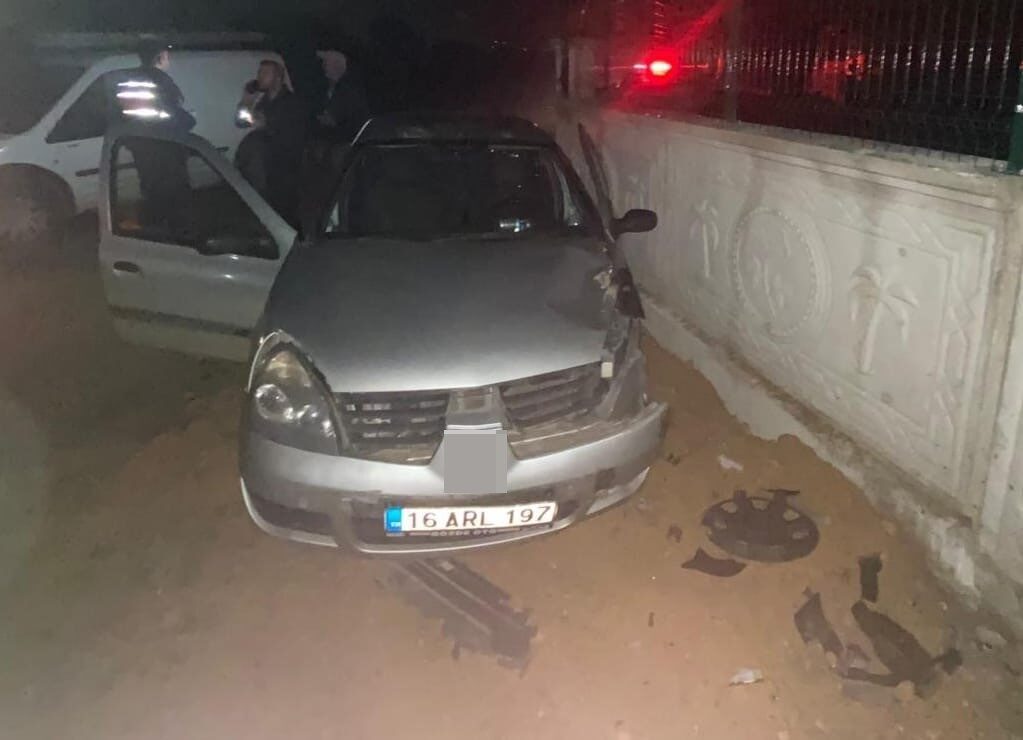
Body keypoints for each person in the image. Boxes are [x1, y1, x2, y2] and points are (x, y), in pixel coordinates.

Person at [121, 41, 194, 236]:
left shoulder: (130, 80)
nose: (168, 59)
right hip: (165, 149)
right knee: (174, 197)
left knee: (150, 191)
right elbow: (172, 113)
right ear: (160, 57)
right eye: (166, 55)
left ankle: (154, 234)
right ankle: (177, 236)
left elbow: (126, 114)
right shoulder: (160, 80)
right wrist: (189, 121)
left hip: (141, 147)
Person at [246, 59, 307, 227]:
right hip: (265, 164)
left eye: (265, 73)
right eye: (260, 73)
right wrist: (247, 100)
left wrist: (266, 124)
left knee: (286, 210)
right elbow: (242, 120)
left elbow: (290, 132)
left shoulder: (291, 102)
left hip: (285, 166)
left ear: (278, 77)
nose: (260, 77)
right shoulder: (264, 101)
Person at [316, 50, 369, 142]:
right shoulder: (327, 88)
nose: (322, 66)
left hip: (347, 143)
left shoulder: (348, 91)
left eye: (325, 63)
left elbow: (333, 120)